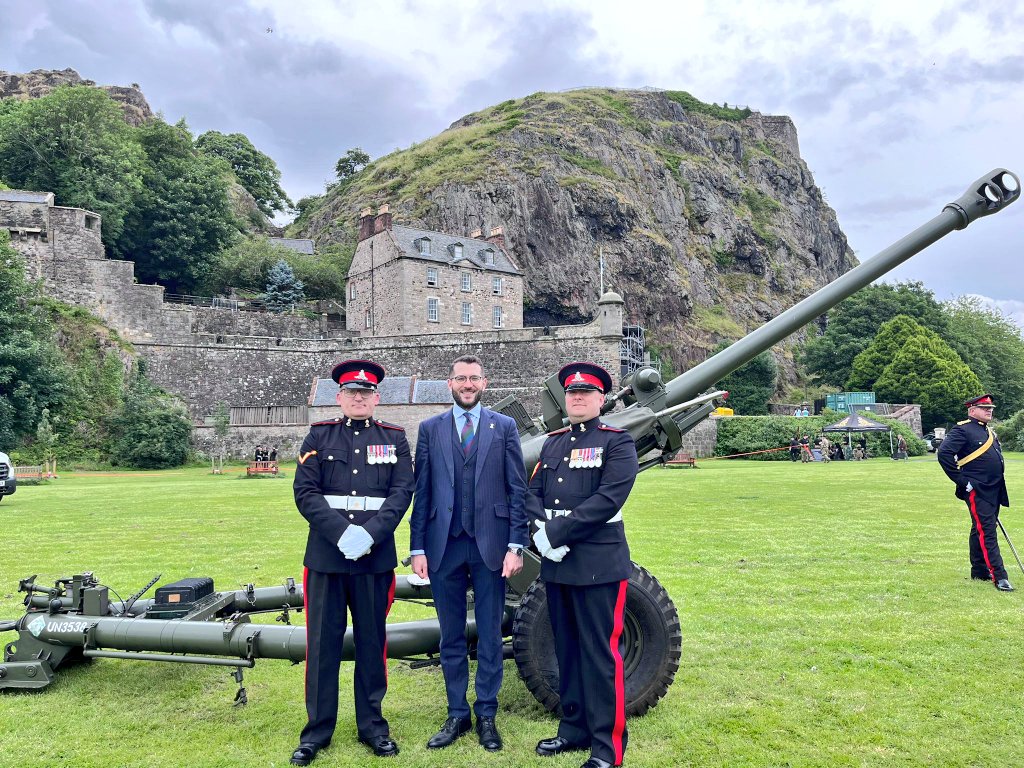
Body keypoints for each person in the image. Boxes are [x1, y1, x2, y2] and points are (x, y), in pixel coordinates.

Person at [290, 359, 414, 765]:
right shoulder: (319, 435)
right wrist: (343, 533)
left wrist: (371, 534)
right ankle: (316, 732)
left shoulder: (394, 439)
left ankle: (373, 728)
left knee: (371, 644)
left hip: (373, 560)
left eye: (366, 392)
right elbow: (305, 494)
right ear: (339, 397)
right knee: (322, 647)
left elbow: (401, 493)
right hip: (327, 558)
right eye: (351, 392)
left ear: (376, 398)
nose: (358, 398)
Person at [409, 354, 528, 752]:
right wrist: (417, 547)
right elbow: (421, 492)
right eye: (461, 378)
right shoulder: (430, 429)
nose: (467, 384)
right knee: (451, 635)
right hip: (444, 546)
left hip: (492, 546)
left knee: (491, 633)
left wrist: (516, 545)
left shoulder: (505, 426)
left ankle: (487, 714)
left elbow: (517, 490)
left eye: (474, 378)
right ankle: (457, 712)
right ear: (450, 384)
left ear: (485, 382)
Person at [527, 362, 639, 768]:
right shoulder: (553, 444)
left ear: (600, 399)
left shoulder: (617, 442)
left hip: (597, 563)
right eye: (571, 393)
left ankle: (608, 749)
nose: (577, 397)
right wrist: (539, 530)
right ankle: (572, 730)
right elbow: (532, 492)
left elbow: (608, 499)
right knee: (567, 651)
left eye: (585, 393)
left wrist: (555, 535)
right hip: (557, 566)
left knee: (600, 654)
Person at [937, 394, 1012, 591]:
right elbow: (944, 454)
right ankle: (1000, 576)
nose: (989, 410)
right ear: (972, 411)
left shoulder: (989, 432)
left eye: (990, 408)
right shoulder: (962, 430)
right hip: (977, 489)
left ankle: (979, 570)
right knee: (987, 530)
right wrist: (962, 481)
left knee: (978, 528)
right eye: (984, 407)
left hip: (994, 488)